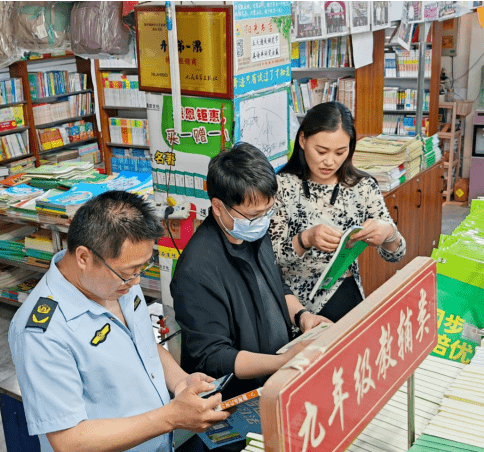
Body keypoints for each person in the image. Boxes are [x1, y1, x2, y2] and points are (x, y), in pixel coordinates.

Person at [8, 191, 229, 452]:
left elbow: (143, 343)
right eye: (128, 273)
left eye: (141, 269)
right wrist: (170, 417)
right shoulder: (42, 331)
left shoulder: (118, 280)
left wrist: (181, 383)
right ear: (83, 257)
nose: (136, 282)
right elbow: (69, 441)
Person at [170, 143, 330, 400]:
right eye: (253, 215)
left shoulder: (251, 230)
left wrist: (302, 317)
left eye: (267, 212)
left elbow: (275, 285)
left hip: (275, 381)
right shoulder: (196, 270)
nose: (262, 222)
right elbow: (214, 357)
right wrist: (283, 361)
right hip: (236, 398)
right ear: (218, 207)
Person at [270, 102, 406, 322]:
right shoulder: (281, 187)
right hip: (290, 303)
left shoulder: (362, 187)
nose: (330, 161)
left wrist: (388, 233)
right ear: (303, 140)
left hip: (342, 294)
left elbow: (397, 254)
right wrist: (305, 239)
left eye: (340, 152)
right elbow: (271, 258)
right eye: (321, 151)